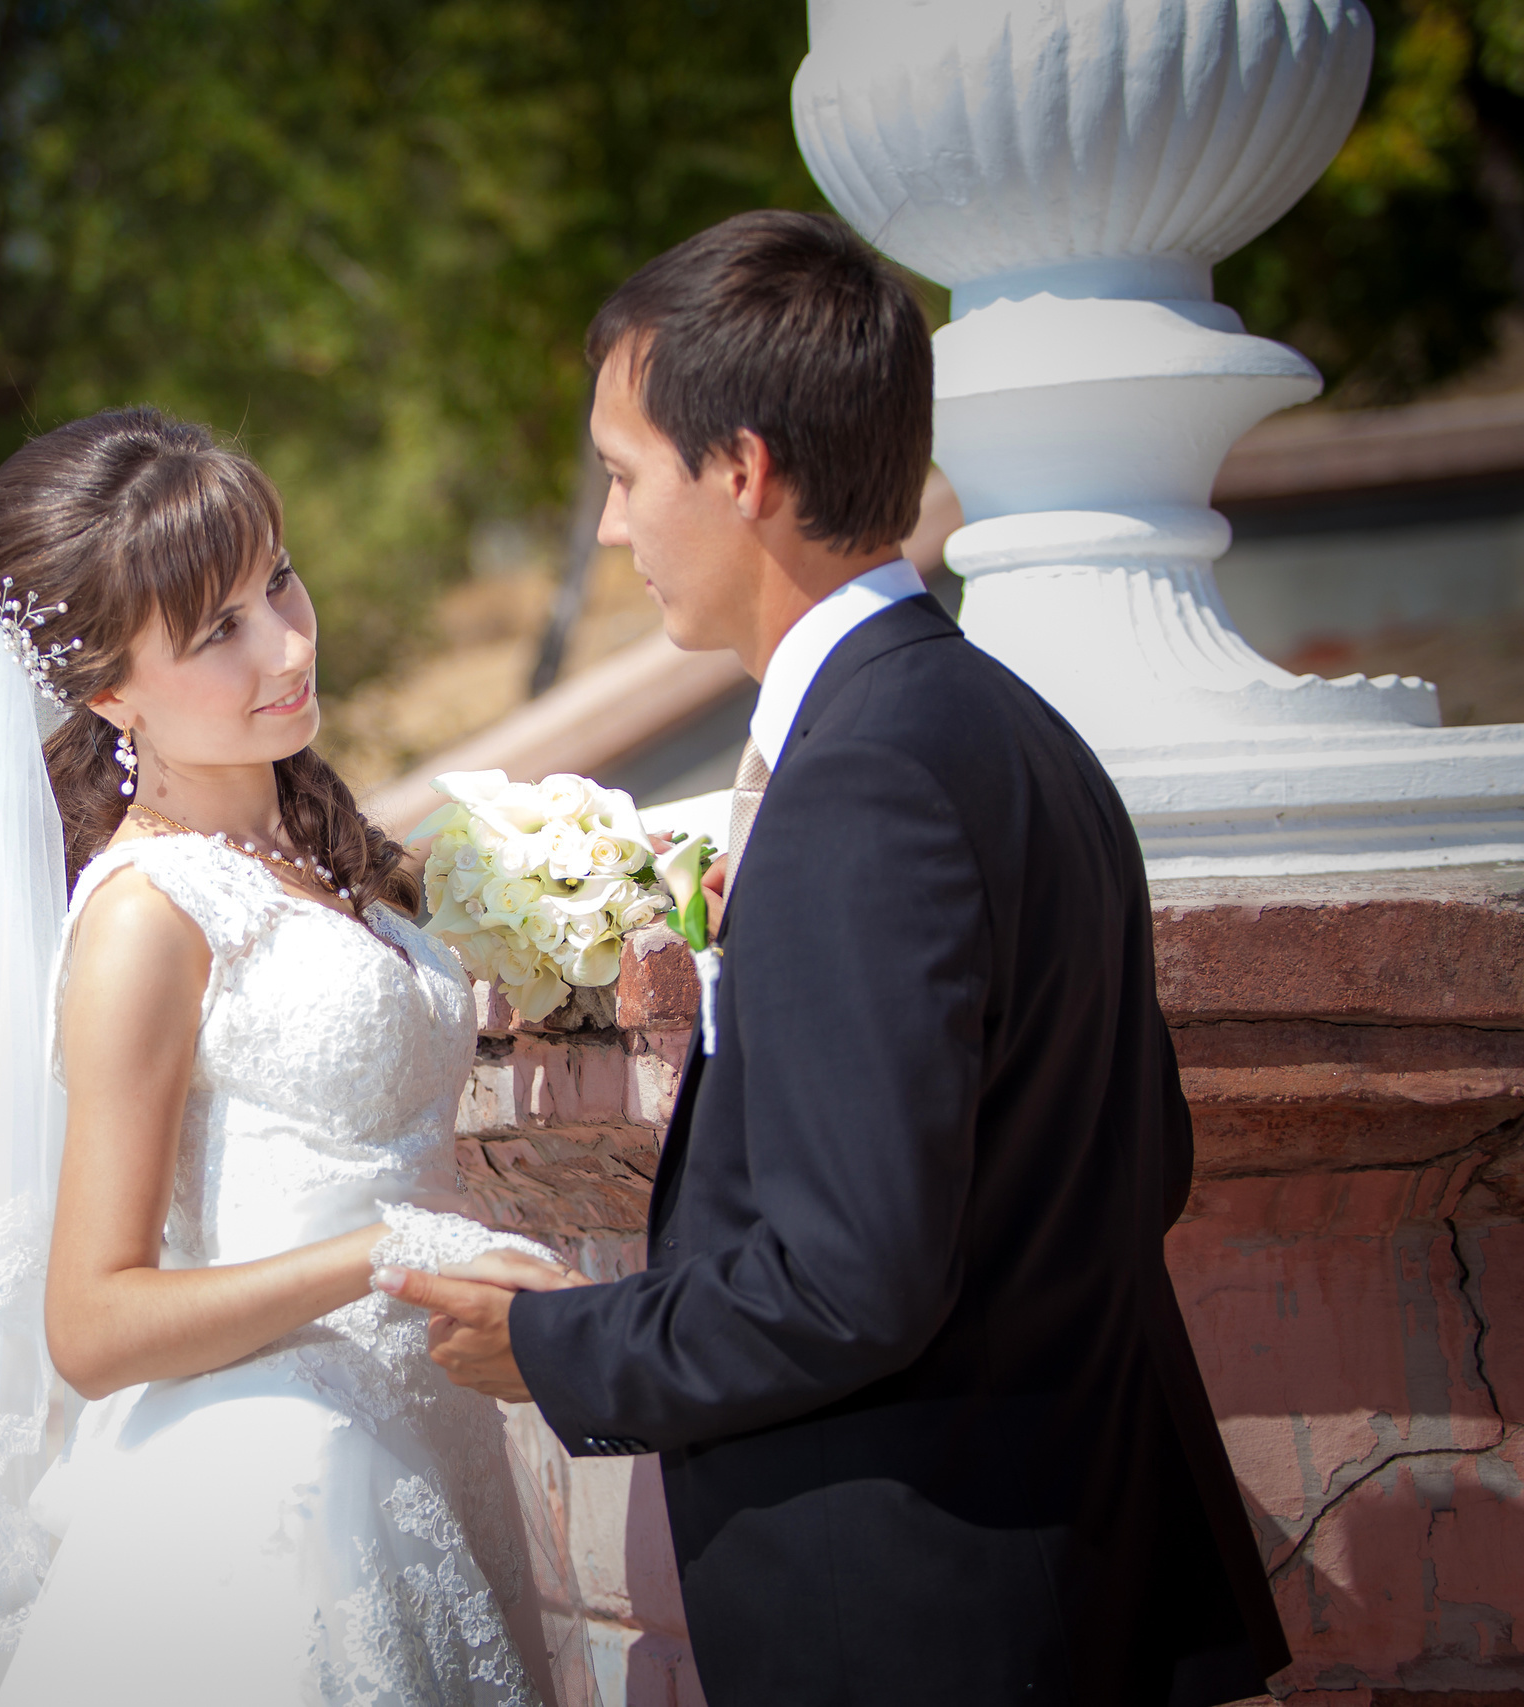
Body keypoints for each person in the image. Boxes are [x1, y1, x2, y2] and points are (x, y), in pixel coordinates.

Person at [381, 211, 1293, 1706]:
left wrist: (554, 1347)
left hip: (932, 1617)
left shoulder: (864, 781)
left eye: (623, 477)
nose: (612, 530)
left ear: (739, 471)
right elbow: (1145, 1157)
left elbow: (849, 1278)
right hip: (1068, 1579)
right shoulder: (1016, 729)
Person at [0, 408, 590, 1707]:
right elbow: (90, 1325)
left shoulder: (318, 856)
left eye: (281, 582)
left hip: (431, 1448)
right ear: (105, 687)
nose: (289, 645)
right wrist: (386, 1251)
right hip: (274, 1497)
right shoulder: (148, 916)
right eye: (218, 630)